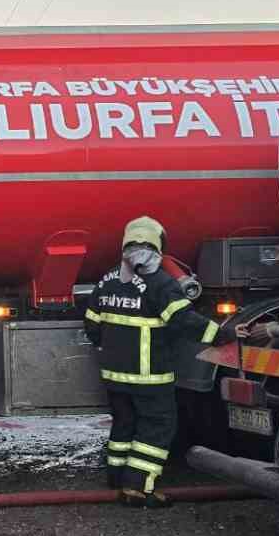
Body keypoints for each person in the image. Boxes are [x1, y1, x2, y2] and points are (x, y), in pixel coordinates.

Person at [84, 216, 221, 507]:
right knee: (157, 428)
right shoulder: (160, 283)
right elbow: (184, 321)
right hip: (149, 377)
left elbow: (92, 323)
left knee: (123, 425)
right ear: (158, 245)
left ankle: (117, 478)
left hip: (114, 374)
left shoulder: (109, 279)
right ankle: (138, 487)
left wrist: (107, 347)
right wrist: (222, 333)